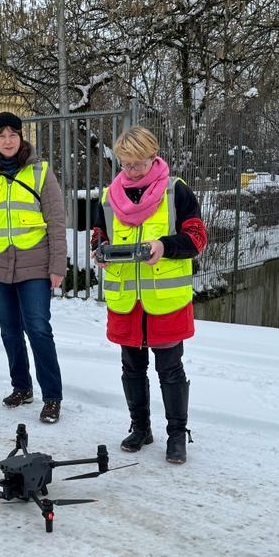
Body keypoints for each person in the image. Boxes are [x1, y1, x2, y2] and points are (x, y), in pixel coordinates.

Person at [91, 126, 207, 463]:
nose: (132, 171)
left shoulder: (176, 191)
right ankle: (140, 427)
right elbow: (99, 233)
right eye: (125, 164)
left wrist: (163, 246)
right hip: (127, 299)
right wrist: (100, 250)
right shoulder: (109, 196)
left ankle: (176, 434)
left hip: (164, 300)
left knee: (170, 369)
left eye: (138, 164)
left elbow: (197, 238)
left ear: (153, 157)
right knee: (131, 368)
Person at [0, 111, 67, 423]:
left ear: (22, 137)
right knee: (9, 330)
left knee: (38, 328)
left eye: (12, 134)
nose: (7, 140)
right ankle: (22, 387)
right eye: (1, 135)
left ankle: (52, 397)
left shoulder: (40, 171)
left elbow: (56, 221)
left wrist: (57, 265)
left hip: (35, 264)